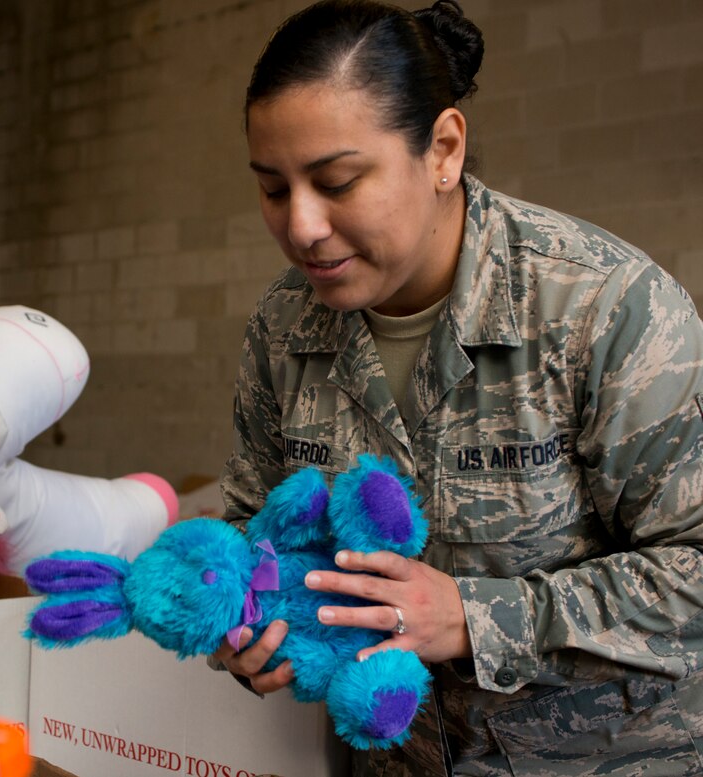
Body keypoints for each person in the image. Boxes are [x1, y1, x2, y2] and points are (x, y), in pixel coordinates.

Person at [211, 1, 703, 774]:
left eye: (337, 181)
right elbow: (250, 522)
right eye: (274, 189)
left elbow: (695, 569)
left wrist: (478, 617)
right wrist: (242, 616)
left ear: (442, 149)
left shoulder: (601, 310)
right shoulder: (284, 328)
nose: (302, 225)